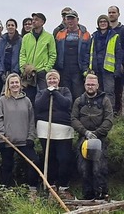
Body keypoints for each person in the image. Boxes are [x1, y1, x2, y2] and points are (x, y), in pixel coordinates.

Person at [0, 73, 39, 190]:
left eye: (16, 82)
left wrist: (31, 137)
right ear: (8, 85)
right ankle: (5, 189)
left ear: (20, 84)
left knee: (34, 161)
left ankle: (32, 189)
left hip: (24, 141)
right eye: (12, 83)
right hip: (8, 141)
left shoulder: (27, 100)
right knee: (7, 165)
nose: (14, 85)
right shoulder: (3, 100)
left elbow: (31, 120)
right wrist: (0, 137)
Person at [72, 74, 113, 200]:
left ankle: (101, 193)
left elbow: (109, 119)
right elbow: (73, 119)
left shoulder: (105, 100)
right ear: (85, 85)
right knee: (83, 168)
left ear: (97, 85)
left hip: (99, 138)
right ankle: (87, 195)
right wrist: (85, 132)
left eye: (93, 84)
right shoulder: (79, 101)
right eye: (88, 84)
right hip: (84, 137)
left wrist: (97, 133)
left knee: (98, 168)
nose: (90, 87)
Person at [34, 69, 74, 199]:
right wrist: (47, 93)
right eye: (49, 79)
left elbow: (66, 104)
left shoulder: (65, 91)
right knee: (49, 158)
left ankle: (63, 186)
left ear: (58, 80)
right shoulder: (41, 92)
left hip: (63, 130)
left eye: (54, 79)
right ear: (46, 81)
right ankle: (51, 185)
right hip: (46, 130)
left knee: (64, 158)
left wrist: (55, 93)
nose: (52, 81)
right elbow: (38, 106)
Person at [19, 13, 57, 104]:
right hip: (28, 73)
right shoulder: (26, 37)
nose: (33, 21)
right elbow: (22, 54)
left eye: (36, 19)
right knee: (28, 99)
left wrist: (46, 69)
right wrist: (23, 68)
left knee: (43, 98)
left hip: (41, 73)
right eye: (33, 19)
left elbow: (53, 55)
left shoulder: (49, 37)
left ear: (42, 22)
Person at [54, 10, 91, 102]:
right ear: (65, 20)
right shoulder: (59, 33)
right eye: (68, 19)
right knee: (65, 93)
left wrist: (86, 68)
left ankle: (77, 114)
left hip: (78, 69)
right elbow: (55, 51)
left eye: (72, 19)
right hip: (64, 69)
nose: (70, 21)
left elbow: (89, 52)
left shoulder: (85, 34)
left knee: (78, 94)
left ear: (77, 20)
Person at [89, 15, 122, 108]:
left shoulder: (114, 36)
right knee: (97, 91)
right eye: (101, 22)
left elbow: (118, 54)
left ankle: (109, 112)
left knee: (109, 92)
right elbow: (90, 52)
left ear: (108, 23)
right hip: (96, 68)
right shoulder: (94, 36)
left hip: (108, 69)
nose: (103, 23)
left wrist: (117, 68)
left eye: (104, 21)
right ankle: (98, 111)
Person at [107, 6, 124, 115]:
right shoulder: (105, 29)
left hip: (118, 65)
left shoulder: (123, 30)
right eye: (109, 12)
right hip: (106, 66)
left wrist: (121, 63)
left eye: (113, 12)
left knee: (118, 90)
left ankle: (118, 113)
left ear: (118, 14)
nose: (111, 14)